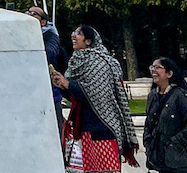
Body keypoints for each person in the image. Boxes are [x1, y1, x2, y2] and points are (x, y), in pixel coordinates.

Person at [51, 25, 139, 173]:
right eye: (74, 32)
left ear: (89, 41)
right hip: (85, 127)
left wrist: (68, 84)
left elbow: (97, 95)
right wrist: (62, 85)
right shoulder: (76, 61)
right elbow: (77, 98)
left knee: (106, 170)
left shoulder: (100, 62)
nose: (73, 35)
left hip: (103, 126)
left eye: (78, 33)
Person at [144, 57, 187, 173]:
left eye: (158, 67)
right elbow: (148, 125)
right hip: (158, 162)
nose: (153, 70)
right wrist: (148, 144)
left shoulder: (180, 96)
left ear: (169, 73)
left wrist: (173, 144)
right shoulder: (152, 97)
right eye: (152, 67)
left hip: (181, 164)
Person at [27, 6, 68, 135]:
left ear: (43, 22)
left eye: (33, 14)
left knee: (54, 131)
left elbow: (49, 53)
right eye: (27, 12)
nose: (28, 15)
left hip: (49, 92)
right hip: (32, 91)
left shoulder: (51, 36)